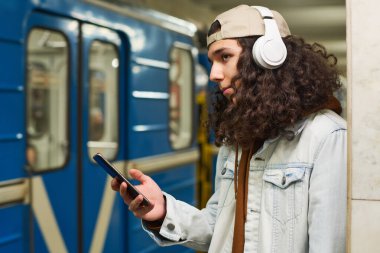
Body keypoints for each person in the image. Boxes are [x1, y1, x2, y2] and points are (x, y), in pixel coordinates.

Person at [111, 4, 347, 253]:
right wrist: (162, 212)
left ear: (268, 55)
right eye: (213, 60)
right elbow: (219, 227)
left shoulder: (325, 137)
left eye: (225, 57)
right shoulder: (239, 139)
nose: (213, 73)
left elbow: (329, 244)